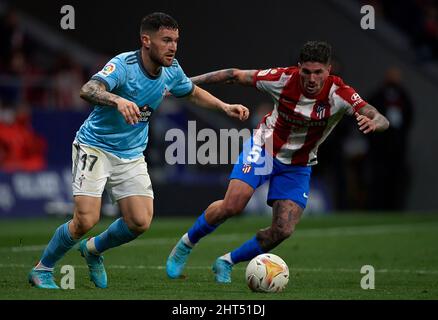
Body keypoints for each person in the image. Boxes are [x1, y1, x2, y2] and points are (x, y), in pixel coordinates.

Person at [28, 12, 249, 289]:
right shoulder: (123, 65)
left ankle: (93, 250)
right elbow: (88, 89)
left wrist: (224, 107)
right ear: (146, 40)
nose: (173, 47)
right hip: (95, 145)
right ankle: (42, 269)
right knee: (86, 219)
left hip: (131, 152)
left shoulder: (171, 69)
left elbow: (190, 91)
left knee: (140, 221)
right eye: (166, 40)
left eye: (176, 41)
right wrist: (117, 100)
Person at [166, 41, 389, 283]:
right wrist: (185, 83)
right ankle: (185, 245)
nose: (312, 79)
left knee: (282, 230)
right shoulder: (282, 79)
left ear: (328, 69)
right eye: (306, 72)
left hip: (299, 165)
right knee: (233, 205)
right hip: (265, 148)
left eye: (318, 72)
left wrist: (376, 122)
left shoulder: (341, 94)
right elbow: (234, 75)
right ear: (299, 68)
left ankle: (226, 261)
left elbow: (377, 115)